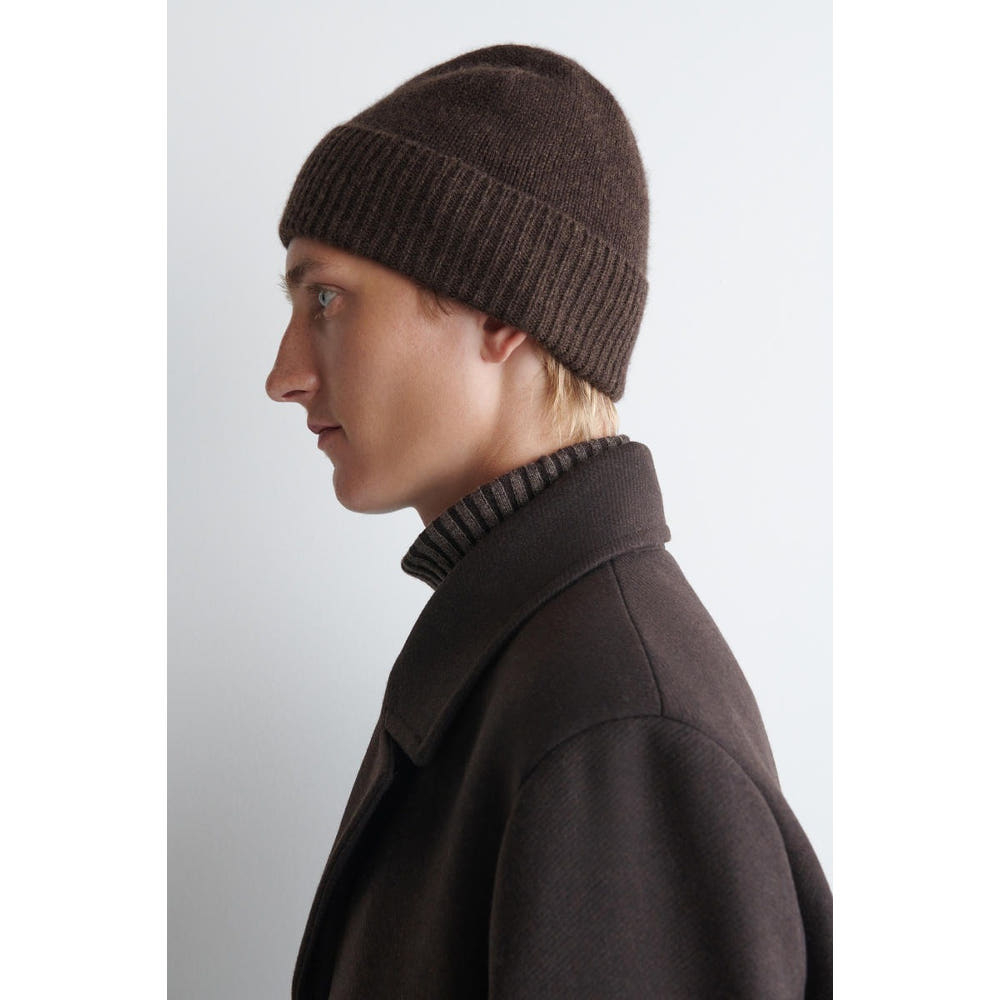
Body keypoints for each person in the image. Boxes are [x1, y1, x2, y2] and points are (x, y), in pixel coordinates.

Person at [266, 43, 832, 1000]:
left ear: (501, 310)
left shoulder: (617, 729)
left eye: (326, 298)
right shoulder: (542, 662)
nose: (283, 374)